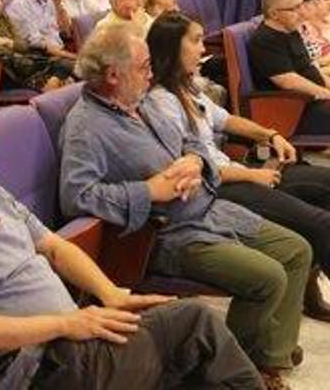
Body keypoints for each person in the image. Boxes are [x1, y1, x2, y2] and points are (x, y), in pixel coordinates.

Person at [0, 81, 263, 389]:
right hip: (40, 367)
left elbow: (53, 247)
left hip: (74, 337)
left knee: (195, 357)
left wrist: (110, 293)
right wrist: (68, 323)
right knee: (196, 325)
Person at [59, 23, 311, 389]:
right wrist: (148, 190)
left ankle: (269, 356)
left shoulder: (142, 101)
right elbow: (76, 197)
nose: (151, 73)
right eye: (144, 66)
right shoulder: (85, 126)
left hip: (208, 208)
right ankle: (236, 369)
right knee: (268, 277)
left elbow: (193, 139)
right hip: (164, 233)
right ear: (113, 75)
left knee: (296, 250)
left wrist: (195, 162)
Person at [149, 11, 330, 322]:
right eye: (194, 41)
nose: (203, 49)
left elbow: (223, 118)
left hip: (236, 173)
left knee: (326, 187)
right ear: (171, 48)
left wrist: (269, 134)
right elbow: (193, 170)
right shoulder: (162, 102)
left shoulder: (187, 86)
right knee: (320, 221)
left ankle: (307, 293)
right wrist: (253, 174)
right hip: (220, 188)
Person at [248, 0, 330, 135]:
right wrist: (325, 94)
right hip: (292, 107)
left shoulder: (291, 31)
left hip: (311, 100)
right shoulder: (265, 40)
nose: (302, 12)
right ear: (274, 14)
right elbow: (288, 81)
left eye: (302, 5)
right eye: (295, 8)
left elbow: (310, 69)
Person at [291, 0, 330, 72]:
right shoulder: (293, 30)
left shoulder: (304, 28)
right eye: (322, 0)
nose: (326, 4)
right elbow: (302, 71)